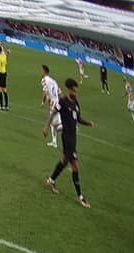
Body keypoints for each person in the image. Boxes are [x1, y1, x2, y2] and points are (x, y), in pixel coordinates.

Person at [43, 78, 94, 208]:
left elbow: (79, 118)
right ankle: (81, 197)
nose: (76, 92)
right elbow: (53, 112)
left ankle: (51, 180)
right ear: (69, 89)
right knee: (75, 166)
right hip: (67, 138)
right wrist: (47, 127)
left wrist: (88, 123)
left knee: (65, 161)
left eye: (76, 90)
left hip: (73, 138)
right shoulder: (63, 102)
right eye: (74, 89)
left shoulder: (75, 103)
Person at [40, 64, 63, 148]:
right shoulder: (53, 81)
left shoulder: (44, 80)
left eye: (41, 70)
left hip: (53, 103)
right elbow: (60, 93)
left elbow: (45, 92)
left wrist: (43, 101)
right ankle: (54, 142)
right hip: (58, 102)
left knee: (55, 123)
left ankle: (70, 126)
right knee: (53, 124)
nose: (41, 72)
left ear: (44, 71)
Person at [0, 41, 9, 111]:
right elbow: (5, 63)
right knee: (4, 89)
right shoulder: (4, 55)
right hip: (4, 73)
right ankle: (6, 106)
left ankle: (1, 105)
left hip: (0, 73)